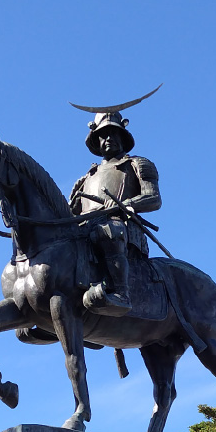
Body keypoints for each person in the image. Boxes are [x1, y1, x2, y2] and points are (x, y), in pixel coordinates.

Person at [69, 106, 161, 314]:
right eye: (103, 134)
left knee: (108, 231)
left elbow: (154, 198)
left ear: (123, 137)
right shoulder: (86, 178)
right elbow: (71, 212)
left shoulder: (137, 164)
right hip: (86, 229)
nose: (109, 138)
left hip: (123, 229)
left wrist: (126, 204)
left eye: (114, 133)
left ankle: (121, 292)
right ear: (96, 140)